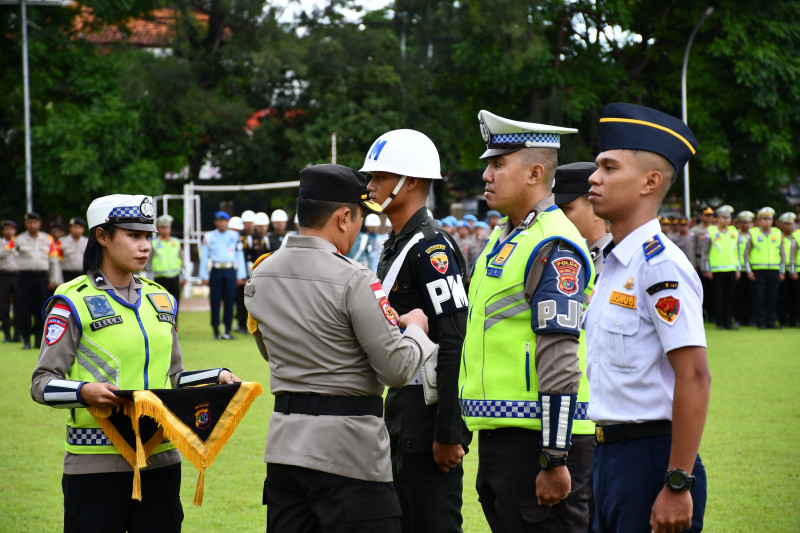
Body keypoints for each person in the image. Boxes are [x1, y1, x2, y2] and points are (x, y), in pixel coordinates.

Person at [245, 163, 437, 533]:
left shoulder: (260, 275)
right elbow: (396, 369)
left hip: (285, 450)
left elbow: (271, 352)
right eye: (359, 218)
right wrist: (415, 329)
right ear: (344, 216)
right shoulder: (353, 278)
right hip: (349, 453)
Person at [31, 193, 239, 533]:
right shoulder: (72, 301)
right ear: (102, 236)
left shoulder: (162, 299)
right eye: (133, 235)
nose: (145, 246)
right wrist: (84, 392)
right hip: (94, 463)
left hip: (160, 456)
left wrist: (215, 377)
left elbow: (175, 379)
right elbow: (41, 383)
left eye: (148, 237)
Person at [459, 110, 595, 532]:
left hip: (540, 441)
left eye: (498, 164)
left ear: (535, 172)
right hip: (503, 436)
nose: (486, 174)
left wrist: (554, 455)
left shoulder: (553, 242)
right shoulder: (505, 235)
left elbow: (558, 352)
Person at [584, 103, 710, 533]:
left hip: (652, 459)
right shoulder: (613, 264)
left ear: (649, 182)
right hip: (607, 457)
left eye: (608, 167)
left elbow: (694, 376)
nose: (593, 178)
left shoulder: (660, 266)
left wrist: (677, 483)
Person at [360, 129, 470, 533]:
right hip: (400, 412)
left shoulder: (431, 247)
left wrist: (448, 431)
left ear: (414, 182)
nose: (371, 185)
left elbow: (454, 338)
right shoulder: (395, 242)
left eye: (382, 176)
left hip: (428, 420)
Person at [553, 161, 615, 282]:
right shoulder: (553, 256)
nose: (555, 216)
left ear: (596, 208)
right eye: (554, 210)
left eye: (564, 209)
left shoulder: (615, 260)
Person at [10, 212, 61, 349]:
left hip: (42, 277)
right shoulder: (18, 239)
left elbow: (53, 260)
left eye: (35, 222)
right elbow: (6, 253)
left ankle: (39, 340)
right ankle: (26, 340)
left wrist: (53, 279)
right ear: (26, 224)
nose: (33, 225)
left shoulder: (48, 239)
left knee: (41, 308)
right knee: (24, 308)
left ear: (40, 224)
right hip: (24, 277)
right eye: (30, 223)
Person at [199, 211, 246, 340]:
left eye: (225, 221)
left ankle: (227, 329)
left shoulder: (234, 236)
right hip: (216, 270)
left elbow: (239, 255)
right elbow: (204, 257)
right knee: (215, 300)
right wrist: (204, 276)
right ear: (215, 222)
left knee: (230, 300)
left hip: (230, 270)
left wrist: (241, 274)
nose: (222, 223)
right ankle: (216, 330)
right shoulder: (209, 236)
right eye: (219, 221)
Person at [743, 207, 785, 329]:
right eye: (764, 219)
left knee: (772, 297)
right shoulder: (753, 233)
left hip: (774, 269)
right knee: (759, 297)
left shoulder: (777, 233)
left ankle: (770, 321)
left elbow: (782, 254)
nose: (767, 221)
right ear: (760, 220)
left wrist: (782, 271)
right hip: (758, 270)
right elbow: (746, 253)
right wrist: (749, 270)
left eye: (769, 219)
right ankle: (760, 321)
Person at [703, 205, 740, 330]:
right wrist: (707, 268)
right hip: (717, 269)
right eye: (723, 217)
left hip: (731, 268)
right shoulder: (712, 231)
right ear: (718, 218)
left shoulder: (734, 231)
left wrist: (738, 268)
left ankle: (728, 321)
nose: (726, 220)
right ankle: (719, 322)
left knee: (730, 297)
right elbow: (706, 251)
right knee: (718, 297)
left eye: (728, 217)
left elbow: (737, 251)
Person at [149, 214, 183, 317]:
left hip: (175, 277)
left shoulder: (176, 242)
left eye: (167, 227)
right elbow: (148, 262)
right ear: (158, 228)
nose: (165, 229)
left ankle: (175, 329)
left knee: (175, 305)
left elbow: (181, 260)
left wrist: (183, 276)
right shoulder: (153, 243)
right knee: (161, 307)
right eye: (163, 227)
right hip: (160, 278)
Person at [691, 207, 714, 322]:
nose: (709, 217)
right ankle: (702, 313)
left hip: (713, 262)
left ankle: (712, 313)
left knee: (712, 291)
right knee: (701, 289)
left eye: (711, 215)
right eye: (707, 215)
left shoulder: (715, 230)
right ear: (702, 216)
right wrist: (693, 265)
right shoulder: (695, 230)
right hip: (699, 262)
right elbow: (692, 249)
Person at [776, 212, 798, 327]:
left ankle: (794, 320)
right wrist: (781, 272)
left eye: (791, 224)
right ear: (781, 225)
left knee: (795, 297)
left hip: (794, 270)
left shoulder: (795, 238)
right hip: (782, 271)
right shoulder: (778, 237)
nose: (789, 226)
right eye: (786, 224)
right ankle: (782, 320)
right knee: (782, 297)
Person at [734, 211, 756, 326]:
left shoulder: (754, 235)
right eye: (743, 222)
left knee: (750, 295)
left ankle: (750, 319)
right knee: (739, 295)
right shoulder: (735, 234)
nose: (746, 225)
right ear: (739, 223)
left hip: (751, 269)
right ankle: (739, 319)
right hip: (739, 269)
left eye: (748, 222)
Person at [0, 220, 20, 343]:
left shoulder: (20, 243)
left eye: (11, 229)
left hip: (18, 275)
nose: (9, 232)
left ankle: (17, 334)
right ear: (3, 231)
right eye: (6, 229)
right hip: (3, 275)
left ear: (15, 231)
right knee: (3, 305)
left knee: (19, 305)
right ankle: (7, 333)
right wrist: (10, 245)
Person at [60, 218, 88, 283]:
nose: (77, 230)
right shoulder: (62, 241)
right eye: (75, 227)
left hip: (83, 274)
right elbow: (57, 261)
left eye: (80, 227)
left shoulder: (88, 242)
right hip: (66, 275)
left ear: (83, 229)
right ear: (70, 228)